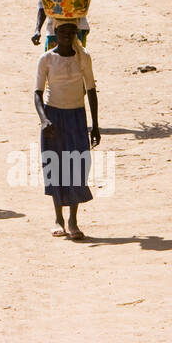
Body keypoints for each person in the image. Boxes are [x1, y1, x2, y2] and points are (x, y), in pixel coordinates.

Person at [33, 21, 101, 240]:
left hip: (77, 116)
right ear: (55, 33)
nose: (66, 35)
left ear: (75, 34)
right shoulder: (46, 59)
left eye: (71, 32)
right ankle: (58, 219)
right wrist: (44, 120)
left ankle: (73, 220)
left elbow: (91, 90)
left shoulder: (83, 57)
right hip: (53, 117)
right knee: (55, 166)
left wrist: (95, 125)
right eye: (63, 31)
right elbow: (37, 93)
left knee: (78, 166)